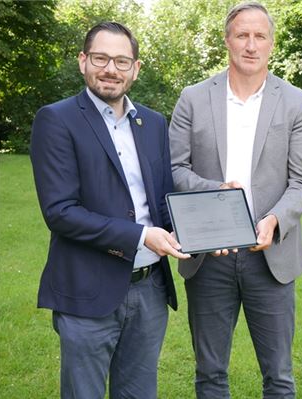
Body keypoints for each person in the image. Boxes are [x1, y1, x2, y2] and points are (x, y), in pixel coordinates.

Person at [30, 22, 190, 399]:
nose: (111, 69)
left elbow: (163, 201)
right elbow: (60, 211)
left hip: (150, 289)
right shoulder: (57, 119)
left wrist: (205, 232)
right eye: (101, 58)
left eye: (122, 61)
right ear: (83, 62)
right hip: (87, 289)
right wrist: (140, 236)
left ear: (136, 68)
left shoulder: (152, 122)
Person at [168, 2, 302, 397]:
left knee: (279, 376)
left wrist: (274, 221)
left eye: (260, 36)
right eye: (242, 35)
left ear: (271, 43)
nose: (251, 45)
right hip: (209, 256)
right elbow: (175, 169)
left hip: (269, 257)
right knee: (210, 373)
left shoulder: (297, 102)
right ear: (227, 40)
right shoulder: (193, 98)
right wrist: (212, 192)